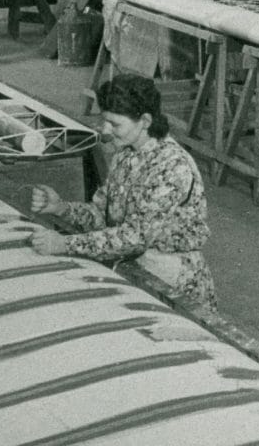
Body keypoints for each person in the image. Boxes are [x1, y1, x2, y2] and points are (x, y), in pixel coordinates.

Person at [28, 73, 217, 316]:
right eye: (105, 120)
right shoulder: (125, 154)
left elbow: (133, 238)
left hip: (173, 284)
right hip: (134, 269)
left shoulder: (171, 166)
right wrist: (62, 208)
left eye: (115, 124)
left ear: (145, 121)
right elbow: (102, 215)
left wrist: (65, 244)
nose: (105, 129)